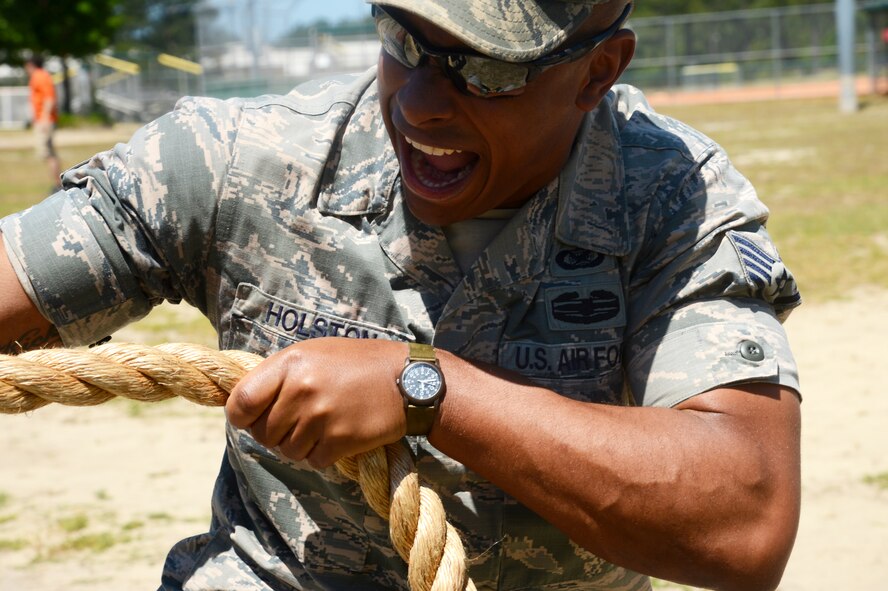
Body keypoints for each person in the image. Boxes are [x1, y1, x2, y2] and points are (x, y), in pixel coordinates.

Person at [0, 0, 803, 589]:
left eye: (486, 71)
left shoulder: (669, 197)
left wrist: (424, 387)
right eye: (401, 39)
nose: (418, 103)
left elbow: (744, 518)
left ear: (599, 70)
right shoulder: (239, 158)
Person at [23, 55, 62, 191]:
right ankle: (58, 183)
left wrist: (44, 119)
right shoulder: (39, 76)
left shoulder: (40, 76)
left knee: (48, 153)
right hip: (43, 119)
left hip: (44, 120)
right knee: (49, 153)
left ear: (30, 64)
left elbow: (49, 98)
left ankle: (58, 184)